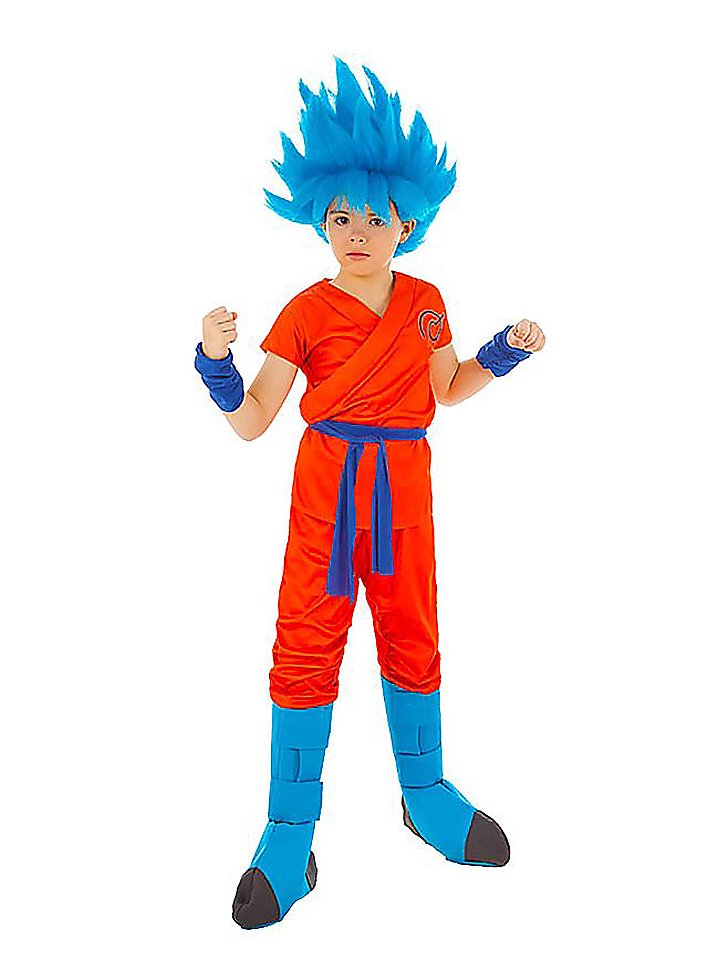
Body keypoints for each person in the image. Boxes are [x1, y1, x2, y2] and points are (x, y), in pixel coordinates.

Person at [195, 57, 545, 930]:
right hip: (327, 488)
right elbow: (253, 421)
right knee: (305, 639)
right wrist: (215, 362)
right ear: (319, 218)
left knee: (412, 627)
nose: (356, 232)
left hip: (404, 486)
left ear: (407, 221)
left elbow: (447, 389)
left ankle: (425, 796)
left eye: (374, 217)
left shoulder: (426, 301)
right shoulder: (304, 311)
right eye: (340, 216)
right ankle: (289, 832)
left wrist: (502, 354)